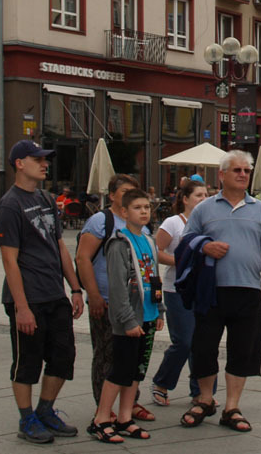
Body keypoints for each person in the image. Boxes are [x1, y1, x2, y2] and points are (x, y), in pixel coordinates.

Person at [177, 150, 261, 433]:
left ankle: (232, 406)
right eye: (237, 170)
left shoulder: (260, 209)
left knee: (242, 350)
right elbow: (185, 242)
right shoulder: (204, 208)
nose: (243, 174)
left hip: (247, 290)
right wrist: (205, 246)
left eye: (246, 170)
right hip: (211, 290)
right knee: (204, 347)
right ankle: (205, 399)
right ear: (222, 175)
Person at [0, 140, 85, 444]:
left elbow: (60, 245)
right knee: (27, 362)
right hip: (28, 297)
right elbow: (9, 259)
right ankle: (27, 419)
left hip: (54, 295)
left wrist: (75, 287)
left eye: (45, 160)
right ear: (20, 163)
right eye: (38, 159)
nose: (45, 164)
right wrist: (21, 307)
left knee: (64, 356)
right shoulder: (10, 205)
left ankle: (46, 409)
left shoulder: (46, 198)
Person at [88, 189, 163, 444]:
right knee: (119, 371)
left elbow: (154, 277)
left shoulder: (150, 240)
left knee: (135, 372)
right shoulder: (119, 243)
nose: (143, 211)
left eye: (146, 207)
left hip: (148, 315)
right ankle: (101, 419)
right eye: (137, 207)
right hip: (128, 320)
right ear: (123, 212)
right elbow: (118, 286)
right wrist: (128, 319)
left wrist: (160, 310)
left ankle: (124, 417)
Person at [76, 174, 151, 417]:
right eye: (125, 191)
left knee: (131, 357)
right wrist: (93, 295)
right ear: (112, 195)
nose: (131, 196)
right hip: (107, 299)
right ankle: (103, 407)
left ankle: (129, 404)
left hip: (136, 305)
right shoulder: (101, 221)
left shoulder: (141, 225)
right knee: (107, 355)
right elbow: (82, 257)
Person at [149, 178, 207, 408]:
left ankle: (201, 391)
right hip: (176, 289)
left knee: (202, 342)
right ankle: (162, 382)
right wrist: (181, 262)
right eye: (199, 195)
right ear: (185, 199)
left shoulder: (207, 222)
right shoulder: (173, 223)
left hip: (201, 289)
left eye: (206, 195)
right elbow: (157, 251)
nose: (204, 199)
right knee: (184, 341)